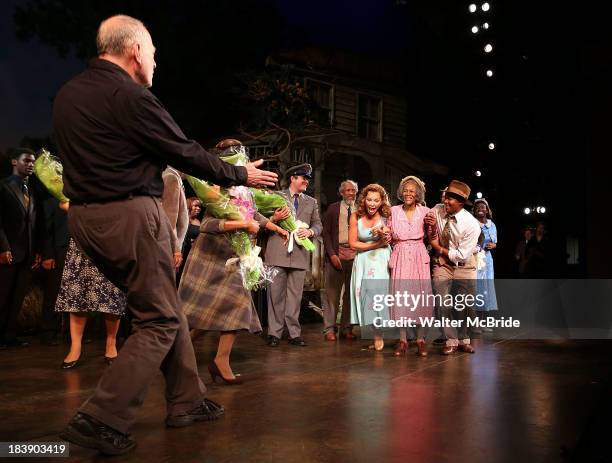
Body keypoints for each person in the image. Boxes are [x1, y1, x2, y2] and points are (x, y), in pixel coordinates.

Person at [52, 15, 277, 455]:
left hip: (85, 219)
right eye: (153, 51)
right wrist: (240, 174)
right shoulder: (130, 96)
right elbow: (184, 150)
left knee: (163, 306)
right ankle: (102, 416)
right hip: (129, 215)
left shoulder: (68, 95)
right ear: (135, 49)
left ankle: (187, 400)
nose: (156, 60)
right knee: (158, 319)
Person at [181, 140, 288, 383]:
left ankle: (216, 359)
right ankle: (186, 350)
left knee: (229, 308)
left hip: (235, 257)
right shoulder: (214, 187)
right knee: (213, 310)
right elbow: (207, 225)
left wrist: (277, 228)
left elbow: (252, 213)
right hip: (211, 257)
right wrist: (242, 224)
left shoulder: (243, 189)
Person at [264, 163, 322, 347]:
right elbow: (261, 220)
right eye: (303, 178)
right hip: (277, 251)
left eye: (307, 179)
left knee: (295, 297)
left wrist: (311, 232)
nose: (306, 181)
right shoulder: (276, 196)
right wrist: (274, 219)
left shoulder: (311, 202)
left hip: (299, 254)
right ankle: (274, 333)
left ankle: (294, 333)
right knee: (275, 296)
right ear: (293, 179)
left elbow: (318, 225)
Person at [425, 180, 481, 355]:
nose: (446, 201)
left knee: (463, 304)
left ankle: (464, 339)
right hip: (443, 263)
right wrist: (429, 223)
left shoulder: (471, 224)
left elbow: (462, 255)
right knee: (442, 301)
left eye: (451, 199)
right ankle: (450, 339)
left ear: (462, 203)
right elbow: (426, 219)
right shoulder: (437, 210)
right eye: (446, 197)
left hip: (464, 264)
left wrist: (438, 248)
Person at [55, 236, 126, 369]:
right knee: (78, 294)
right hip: (83, 240)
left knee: (111, 295)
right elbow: (67, 213)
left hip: (111, 241)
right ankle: (75, 347)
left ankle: (111, 343)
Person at [0, 147, 42, 349]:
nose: (31, 164)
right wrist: (3, 248)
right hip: (7, 252)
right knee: (3, 296)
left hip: (27, 253)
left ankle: (9, 336)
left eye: (33, 161)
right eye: (26, 160)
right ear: (14, 162)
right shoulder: (3, 186)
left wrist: (36, 252)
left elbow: (34, 224)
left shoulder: (31, 189)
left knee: (17, 298)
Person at [387, 176, 434, 357]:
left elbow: (431, 237)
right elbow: (389, 236)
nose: (408, 193)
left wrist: (433, 227)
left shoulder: (426, 211)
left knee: (420, 296)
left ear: (418, 194)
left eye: (412, 191)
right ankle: (403, 340)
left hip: (418, 254)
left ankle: (421, 340)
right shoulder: (393, 211)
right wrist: (383, 234)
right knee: (400, 296)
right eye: (405, 190)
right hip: (399, 253)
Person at [349, 184, 392, 351]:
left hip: (381, 261)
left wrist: (383, 234)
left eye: (376, 200)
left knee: (378, 296)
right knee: (364, 297)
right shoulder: (355, 216)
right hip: (363, 260)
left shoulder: (386, 216)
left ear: (381, 202)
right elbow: (353, 243)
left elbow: (389, 235)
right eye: (369, 200)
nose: (372, 204)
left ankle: (379, 336)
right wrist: (375, 245)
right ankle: (375, 334)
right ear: (363, 200)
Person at [321, 180, 358, 341]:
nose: (350, 193)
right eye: (347, 190)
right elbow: (326, 233)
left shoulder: (361, 209)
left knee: (350, 295)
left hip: (356, 256)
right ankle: (329, 329)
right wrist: (332, 254)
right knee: (332, 295)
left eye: (353, 190)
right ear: (341, 193)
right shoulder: (333, 208)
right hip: (336, 255)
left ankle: (346, 328)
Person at [473, 198, 498, 329]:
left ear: (487, 210)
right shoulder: (472, 223)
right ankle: (474, 323)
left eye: (483, 207)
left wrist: (492, 245)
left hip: (487, 261)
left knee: (486, 289)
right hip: (475, 258)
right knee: (477, 289)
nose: (480, 209)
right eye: (478, 207)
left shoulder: (491, 224)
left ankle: (482, 322)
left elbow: (495, 242)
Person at [162, 166, 189, 272]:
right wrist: (176, 249)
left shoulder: (174, 177)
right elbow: (169, 219)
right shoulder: (170, 177)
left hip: (174, 243)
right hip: (171, 246)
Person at [177, 197, 202, 283]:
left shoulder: (198, 222)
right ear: (189, 205)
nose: (198, 208)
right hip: (180, 249)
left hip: (191, 252)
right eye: (196, 206)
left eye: (199, 206)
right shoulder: (182, 218)